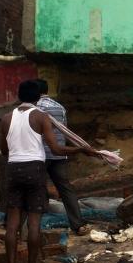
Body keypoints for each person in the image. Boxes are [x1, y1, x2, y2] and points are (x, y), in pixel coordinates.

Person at [1, 80, 96, 263]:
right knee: (34, 222)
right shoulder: (41, 117)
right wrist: (80, 149)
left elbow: (5, 150)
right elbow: (56, 149)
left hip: (13, 169)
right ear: (38, 98)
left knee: (12, 224)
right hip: (34, 169)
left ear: (19, 96)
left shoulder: (6, 118)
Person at [35, 79, 89, 236]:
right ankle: (78, 224)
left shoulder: (34, 109)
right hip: (59, 154)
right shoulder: (59, 107)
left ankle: (36, 225)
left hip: (40, 154)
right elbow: (64, 131)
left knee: (37, 188)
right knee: (65, 188)